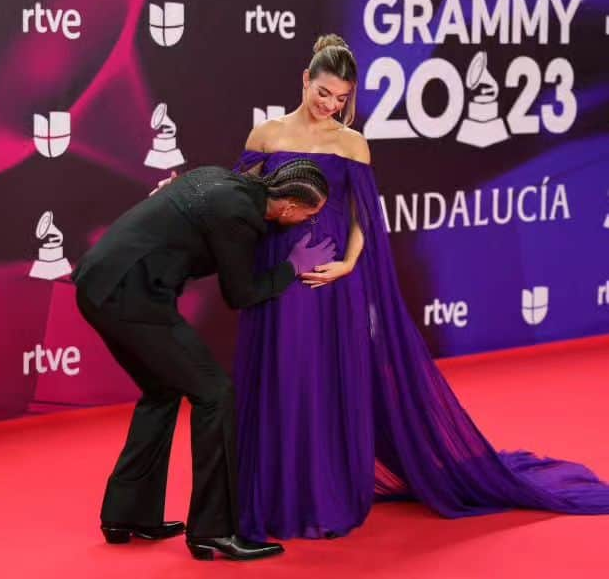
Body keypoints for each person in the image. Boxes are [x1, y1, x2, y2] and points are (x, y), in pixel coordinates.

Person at [233, 34, 609, 541]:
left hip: (330, 282)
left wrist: (348, 263)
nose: (330, 106)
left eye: (341, 99)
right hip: (278, 271)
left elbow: (365, 214)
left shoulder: (351, 143)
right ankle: (274, 495)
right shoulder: (266, 135)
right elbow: (242, 202)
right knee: (281, 376)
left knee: (322, 382)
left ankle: (322, 496)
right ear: (305, 79)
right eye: (323, 93)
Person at [73, 159, 335, 560]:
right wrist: (291, 267)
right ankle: (214, 531)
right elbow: (240, 294)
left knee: (162, 390)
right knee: (215, 394)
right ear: (286, 208)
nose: (307, 222)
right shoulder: (239, 216)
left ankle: (128, 514)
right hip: (131, 298)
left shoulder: (221, 179)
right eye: (308, 215)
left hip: (99, 284)